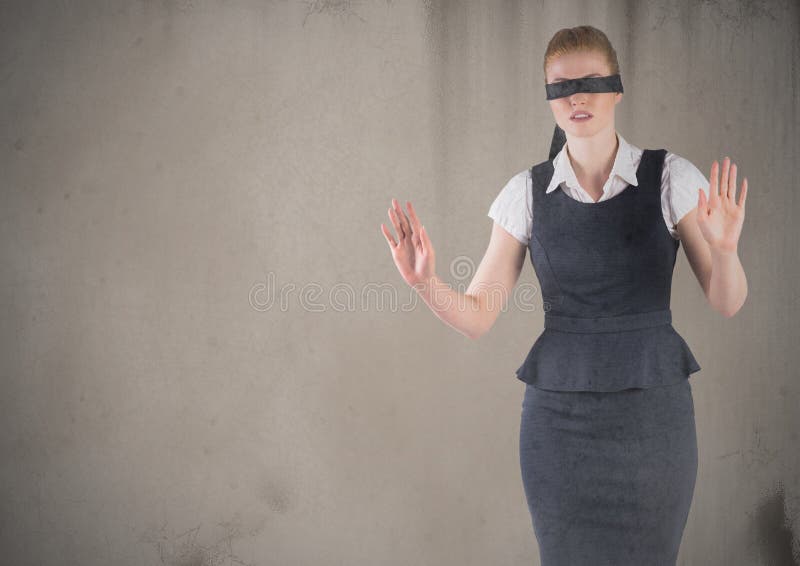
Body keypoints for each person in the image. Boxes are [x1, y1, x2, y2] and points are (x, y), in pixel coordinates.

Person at [380, 25, 748, 566]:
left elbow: (727, 301)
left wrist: (727, 250)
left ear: (617, 89)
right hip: (558, 426)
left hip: (654, 417)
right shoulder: (524, 193)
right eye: (561, 86)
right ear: (548, 97)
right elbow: (479, 316)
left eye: (592, 81)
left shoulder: (672, 177)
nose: (577, 96)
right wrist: (424, 283)